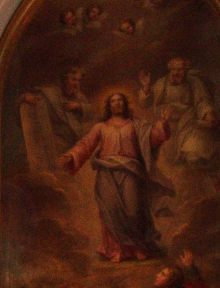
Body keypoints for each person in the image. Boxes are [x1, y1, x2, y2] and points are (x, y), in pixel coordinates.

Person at [60, 92, 174, 262]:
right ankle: (116, 250)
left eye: (120, 100)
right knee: (110, 211)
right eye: (113, 101)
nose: (117, 103)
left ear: (125, 104)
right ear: (109, 106)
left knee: (133, 210)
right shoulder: (100, 127)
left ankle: (138, 247)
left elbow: (152, 139)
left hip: (130, 171)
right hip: (106, 171)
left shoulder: (135, 125)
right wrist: (71, 155)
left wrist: (162, 123)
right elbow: (86, 144)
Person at [138, 57, 219, 172]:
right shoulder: (161, 83)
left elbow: (202, 100)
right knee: (166, 163)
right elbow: (145, 103)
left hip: (188, 123)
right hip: (166, 125)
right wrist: (146, 87)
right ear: (170, 70)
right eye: (174, 69)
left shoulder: (194, 82)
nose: (176, 73)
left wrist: (208, 113)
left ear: (186, 70)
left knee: (194, 155)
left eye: (180, 69)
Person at [19, 67, 97, 173]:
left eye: (78, 80)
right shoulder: (50, 94)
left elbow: (92, 114)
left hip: (76, 142)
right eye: (73, 79)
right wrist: (25, 97)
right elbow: (31, 103)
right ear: (64, 80)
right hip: (55, 142)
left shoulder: (79, 97)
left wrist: (79, 106)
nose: (76, 84)